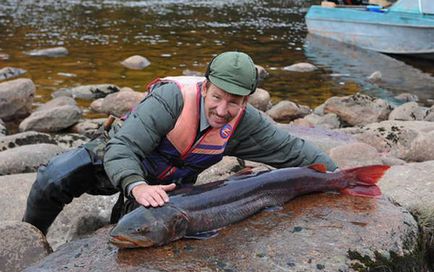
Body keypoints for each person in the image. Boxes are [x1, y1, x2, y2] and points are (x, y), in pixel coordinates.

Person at [23, 51, 337, 235]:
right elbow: (122, 149)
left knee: (133, 235)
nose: (222, 109)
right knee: (53, 176)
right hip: (118, 161)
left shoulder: (246, 121)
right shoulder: (171, 98)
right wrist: (136, 185)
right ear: (204, 87)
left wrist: (339, 178)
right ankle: (32, 237)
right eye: (217, 97)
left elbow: (295, 152)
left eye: (234, 102)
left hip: (171, 187)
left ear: (247, 99)